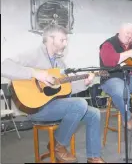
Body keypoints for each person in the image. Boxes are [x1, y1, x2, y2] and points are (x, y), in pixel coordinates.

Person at [1, 24, 105, 163]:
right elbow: (4, 66)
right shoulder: (33, 55)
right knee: (80, 103)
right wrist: (35, 74)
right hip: (37, 109)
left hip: (56, 106)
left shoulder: (60, 64)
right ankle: (58, 146)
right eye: (62, 40)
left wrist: (85, 83)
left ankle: (93, 157)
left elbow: (66, 89)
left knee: (94, 113)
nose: (66, 43)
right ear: (50, 39)